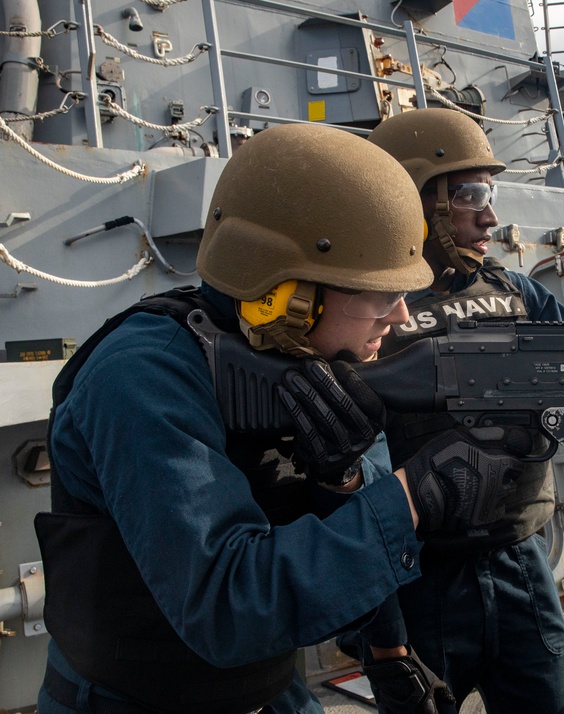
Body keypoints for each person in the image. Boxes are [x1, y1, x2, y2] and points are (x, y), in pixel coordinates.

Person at [33, 123, 530, 713]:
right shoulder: (143, 375)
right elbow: (226, 605)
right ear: (287, 294)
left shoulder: (287, 362)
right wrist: (411, 497)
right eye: (377, 293)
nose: (399, 316)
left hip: (267, 689)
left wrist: (338, 482)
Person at [358, 107, 564, 714]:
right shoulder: (372, 312)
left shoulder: (518, 292)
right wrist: (385, 643)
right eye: (468, 194)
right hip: (420, 578)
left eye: (489, 193)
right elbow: (354, 479)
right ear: (413, 201)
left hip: (522, 565)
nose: (490, 215)